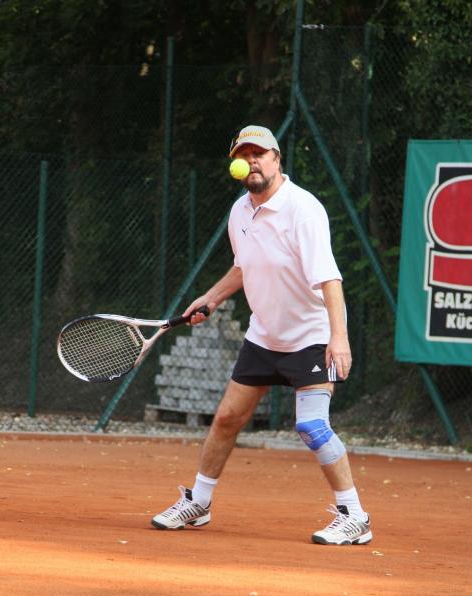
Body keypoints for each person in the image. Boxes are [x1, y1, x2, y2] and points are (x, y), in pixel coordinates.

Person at [151, 125, 372, 545]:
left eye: (260, 154)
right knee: (226, 419)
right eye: (244, 155)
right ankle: (199, 502)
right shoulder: (240, 212)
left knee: (312, 426)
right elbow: (244, 266)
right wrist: (212, 297)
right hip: (263, 337)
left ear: (276, 159)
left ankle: (355, 516)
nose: (251, 161)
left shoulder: (303, 210)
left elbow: (329, 279)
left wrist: (338, 338)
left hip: (310, 336)